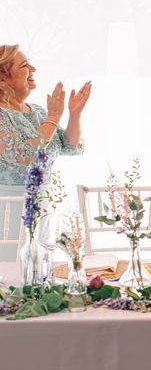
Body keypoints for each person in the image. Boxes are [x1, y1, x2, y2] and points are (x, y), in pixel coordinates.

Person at [0, 44, 91, 261]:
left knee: (40, 272)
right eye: (24, 65)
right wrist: (53, 118)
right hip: (7, 213)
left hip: (41, 207)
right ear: (3, 78)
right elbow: (26, 155)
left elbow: (70, 146)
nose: (33, 68)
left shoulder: (38, 112)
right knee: (11, 276)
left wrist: (74, 114)